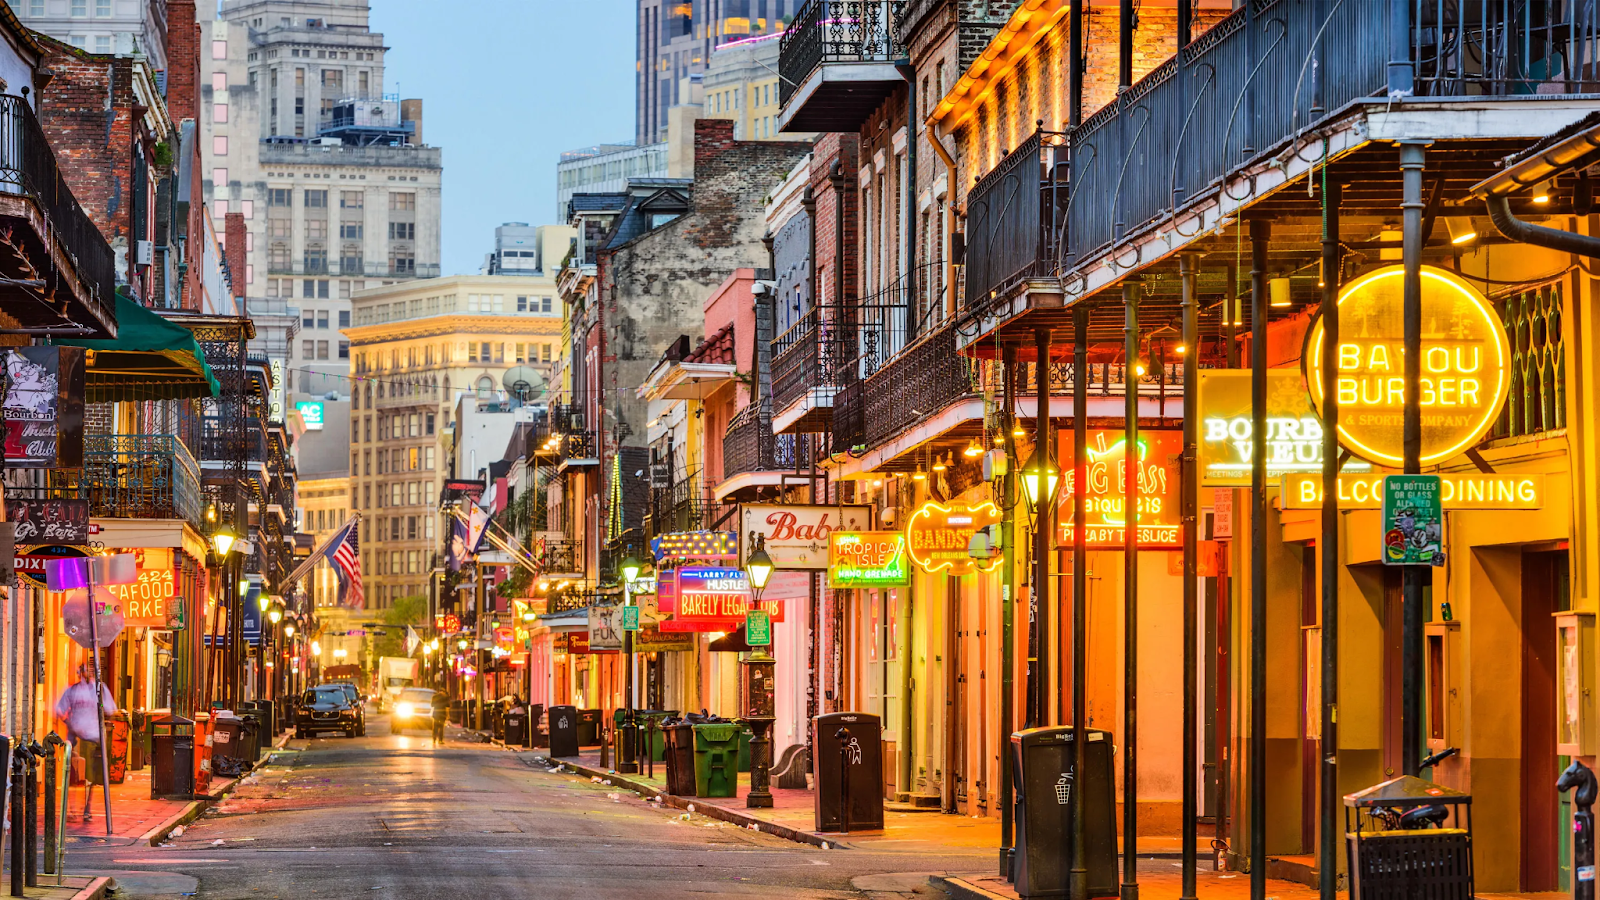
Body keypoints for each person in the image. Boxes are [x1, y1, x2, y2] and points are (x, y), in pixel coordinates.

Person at [54, 662, 116, 820]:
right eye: (84, 671)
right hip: (76, 737)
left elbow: (109, 709)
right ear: (79, 673)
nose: (87, 674)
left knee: (90, 777)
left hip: (93, 737)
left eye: (90, 671)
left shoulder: (99, 689)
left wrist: (100, 709)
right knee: (74, 775)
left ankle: (86, 808)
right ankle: (72, 809)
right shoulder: (73, 690)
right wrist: (69, 723)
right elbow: (59, 709)